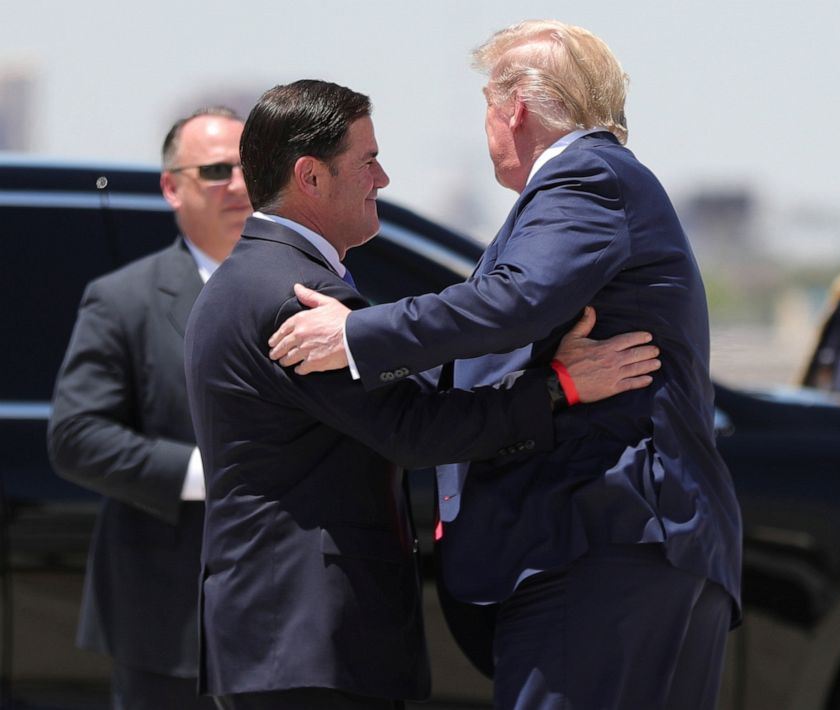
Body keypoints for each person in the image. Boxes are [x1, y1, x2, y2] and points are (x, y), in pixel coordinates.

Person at [267, 20, 743, 710]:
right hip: (618, 554)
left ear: (512, 108)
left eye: (486, 104)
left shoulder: (586, 178)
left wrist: (357, 335)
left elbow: (512, 303)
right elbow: (494, 350)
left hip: (606, 548)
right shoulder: (589, 188)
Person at [184, 79, 659, 710]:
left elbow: (387, 403)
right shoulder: (292, 296)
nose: (381, 178)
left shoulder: (252, 276)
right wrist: (560, 387)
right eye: (366, 160)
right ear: (311, 177)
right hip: (306, 639)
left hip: (279, 639)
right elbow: (414, 430)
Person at [47, 107, 251, 710]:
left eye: (251, 168)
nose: (239, 184)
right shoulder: (123, 300)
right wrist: (207, 475)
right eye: (217, 170)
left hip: (292, 624)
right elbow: (77, 436)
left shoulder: (312, 290)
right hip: (169, 624)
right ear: (171, 186)